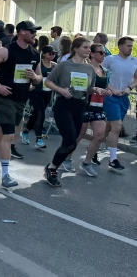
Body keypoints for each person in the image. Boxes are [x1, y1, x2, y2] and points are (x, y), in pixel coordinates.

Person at [0, 21, 42, 187]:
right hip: (4, 97)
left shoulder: (35, 54)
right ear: (22, 32)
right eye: (32, 31)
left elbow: (39, 77)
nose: (34, 34)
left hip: (21, 98)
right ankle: (5, 176)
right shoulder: (6, 50)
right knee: (8, 135)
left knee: (4, 131)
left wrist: (34, 78)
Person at [42, 37, 100, 187]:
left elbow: (89, 88)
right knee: (70, 142)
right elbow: (48, 81)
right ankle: (52, 169)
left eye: (89, 48)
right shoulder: (64, 65)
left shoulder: (89, 69)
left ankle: (52, 167)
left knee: (71, 143)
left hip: (80, 106)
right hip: (64, 104)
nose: (88, 50)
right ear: (75, 48)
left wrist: (97, 90)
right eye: (85, 47)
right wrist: (61, 90)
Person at [101, 36, 137, 171]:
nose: (130, 48)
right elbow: (101, 76)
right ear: (120, 46)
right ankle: (113, 159)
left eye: (132, 46)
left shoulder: (135, 61)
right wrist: (112, 89)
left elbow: (136, 79)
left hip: (124, 98)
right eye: (128, 46)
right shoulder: (110, 59)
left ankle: (95, 146)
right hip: (110, 97)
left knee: (109, 127)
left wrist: (129, 88)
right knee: (117, 127)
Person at [76, 42, 111, 176]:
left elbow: (108, 86)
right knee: (79, 134)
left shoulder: (104, 71)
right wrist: (94, 89)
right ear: (92, 54)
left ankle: (86, 162)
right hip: (84, 105)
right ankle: (65, 159)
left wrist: (110, 91)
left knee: (100, 135)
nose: (103, 55)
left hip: (98, 107)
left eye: (105, 53)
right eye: (100, 53)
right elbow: (79, 87)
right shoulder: (85, 68)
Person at [21, 45, 56, 150]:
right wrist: (30, 84)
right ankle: (39, 139)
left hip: (47, 92)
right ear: (44, 54)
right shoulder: (38, 64)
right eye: (50, 53)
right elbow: (31, 75)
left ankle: (26, 131)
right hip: (36, 91)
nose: (52, 55)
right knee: (41, 113)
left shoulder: (54, 66)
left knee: (36, 114)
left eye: (54, 53)